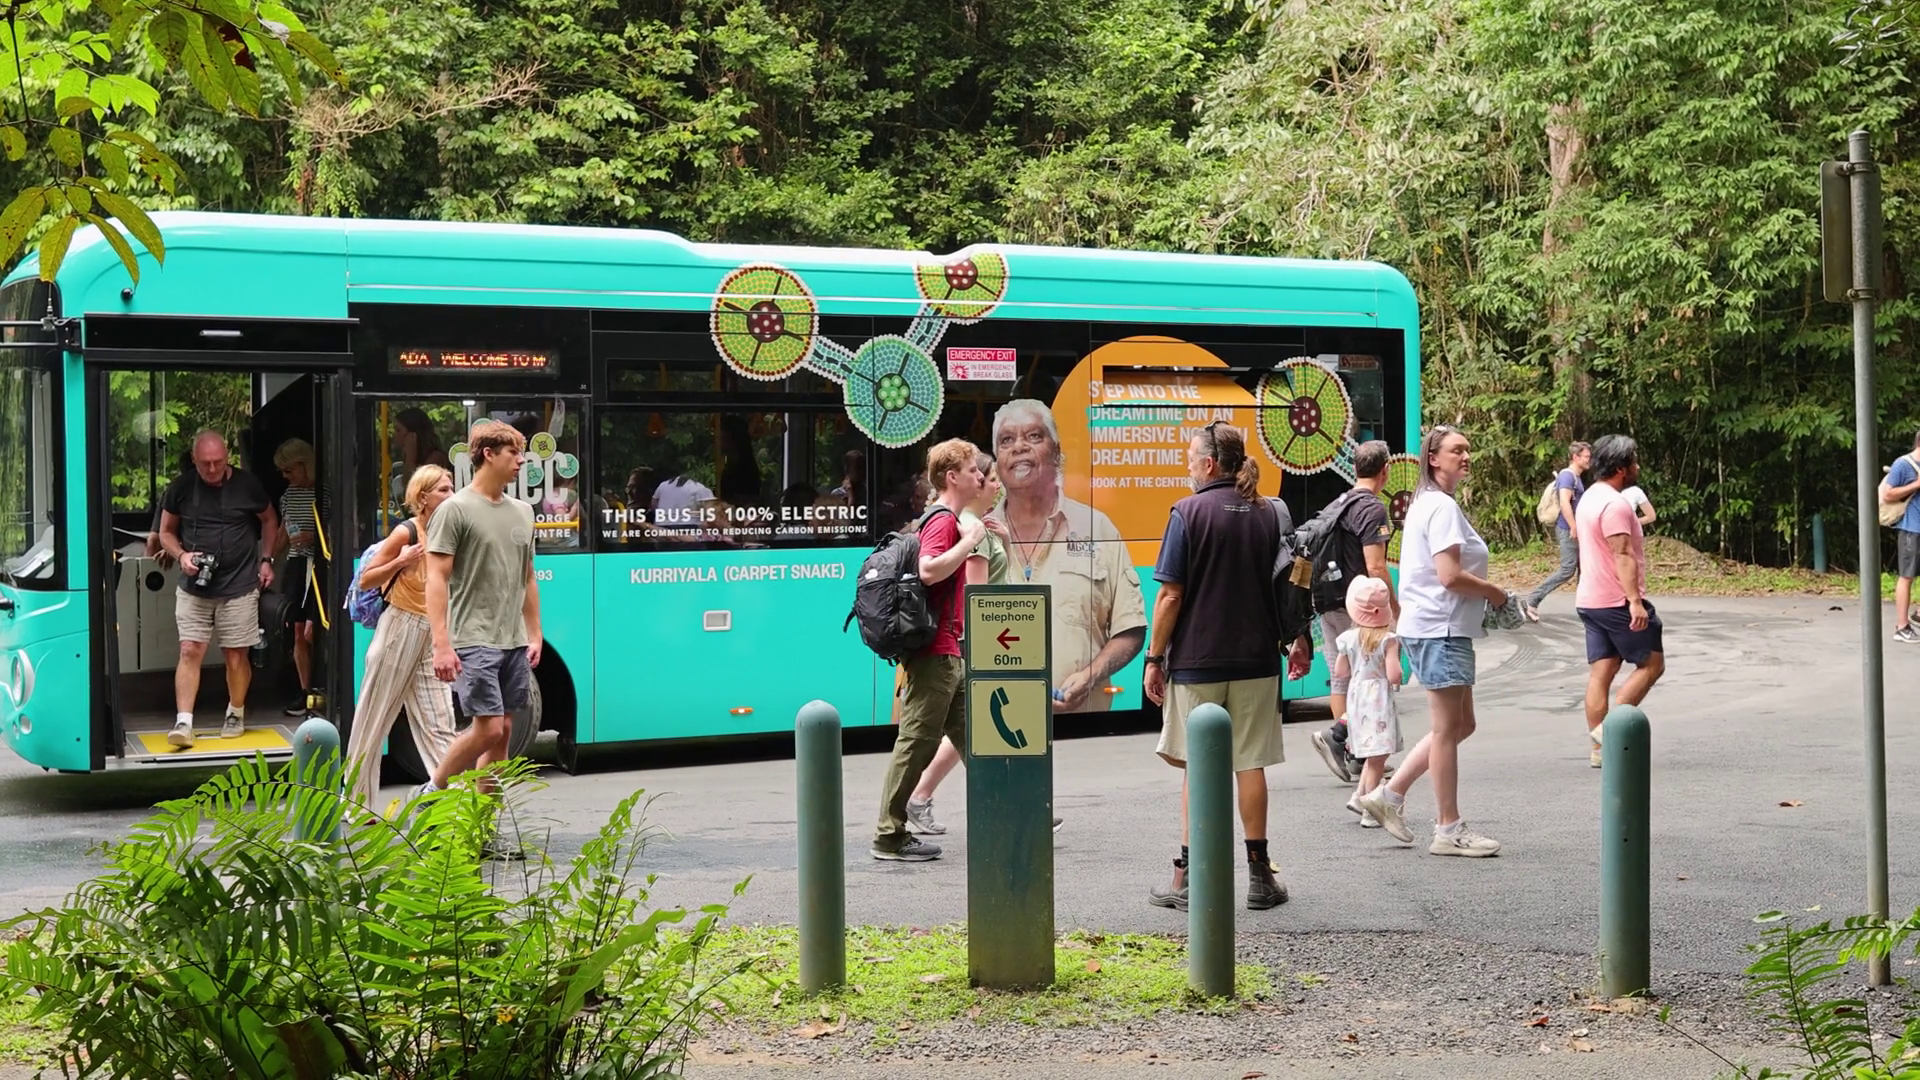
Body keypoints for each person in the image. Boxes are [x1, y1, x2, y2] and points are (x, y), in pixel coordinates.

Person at [1143, 420, 1288, 912]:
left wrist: (1154, 657)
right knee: (1250, 764)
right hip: (1258, 659)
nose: (1187, 465)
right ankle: (1260, 877)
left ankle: (1188, 880)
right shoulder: (1267, 512)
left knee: (1198, 768)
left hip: (1198, 661)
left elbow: (1170, 595)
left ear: (1208, 464)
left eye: (1189, 458)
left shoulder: (1187, 512)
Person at [1358, 425, 1508, 857]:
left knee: (1462, 725)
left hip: (1441, 628)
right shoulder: (1440, 506)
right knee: (1446, 730)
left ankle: (1389, 795)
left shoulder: (1430, 502)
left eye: (1467, 448)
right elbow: (1449, 576)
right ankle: (1448, 828)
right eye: (1457, 450)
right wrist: (1495, 593)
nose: (1466, 455)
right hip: (1439, 629)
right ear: (1433, 458)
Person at [417, 421, 544, 827]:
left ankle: (481, 829)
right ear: (488, 454)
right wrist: (441, 644)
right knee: (487, 730)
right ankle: (432, 789)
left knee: (503, 732)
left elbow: (527, 577)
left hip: (512, 640)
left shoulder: (523, 511)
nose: (521, 461)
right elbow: (436, 578)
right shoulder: (454, 510)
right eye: (513, 453)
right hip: (473, 637)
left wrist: (535, 633)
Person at [986, 399, 1146, 713]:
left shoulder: (1097, 527)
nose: (1019, 447)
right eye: (1006, 440)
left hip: (1084, 724)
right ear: (997, 460)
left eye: (1034, 436)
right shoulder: (976, 536)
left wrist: (1090, 676)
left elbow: (1130, 627)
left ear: (1056, 452)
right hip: (999, 722)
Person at [870, 438, 987, 862]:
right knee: (917, 742)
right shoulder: (942, 520)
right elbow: (929, 570)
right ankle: (889, 835)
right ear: (951, 477)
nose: (981, 476)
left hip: (949, 651)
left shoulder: (948, 519)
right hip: (935, 653)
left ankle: (1012, 811)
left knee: (979, 741)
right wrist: (970, 540)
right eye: (973, 470)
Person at [904, 451, 1030, 837]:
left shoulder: (983, 527)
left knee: (974, 727)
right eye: (986, 477)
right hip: (986, 642)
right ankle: (1012, 804)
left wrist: (1004, 542)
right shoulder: (971, 529)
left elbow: (1000, 581)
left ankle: (1014, 804)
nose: (993, 485)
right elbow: (978, 598)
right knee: (971, 727)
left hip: (991, 640)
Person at [341, 466, 460, 814]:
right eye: (443, 490)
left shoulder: (450, 531)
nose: (451, 495)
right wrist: (401, 560)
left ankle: (454, 803)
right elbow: (366, 579)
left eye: (452, 488)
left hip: (433, 632)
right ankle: (356, 804)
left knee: (440, 721)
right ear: (423, 497)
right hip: (399, 627)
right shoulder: (406, 532)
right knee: (373, 719)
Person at [156, 430, 281, 747]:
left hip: (239, 584)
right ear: (194, 460)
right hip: (194, 585)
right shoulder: (181, 487)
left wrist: (266, 560)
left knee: (236, 654)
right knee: (189, 650)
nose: (212, 469)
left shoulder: (247, 485)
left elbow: (269, 519)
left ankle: (235, 712)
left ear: (228, 458)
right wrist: (182, 556)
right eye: (205, 464)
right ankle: (184, 723)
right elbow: (165, 532)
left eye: (218, 462)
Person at [1300, 440, 1401, 783]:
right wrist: (1393, 607)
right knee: (1369, 680)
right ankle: (1338, 735)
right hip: (1356, 607)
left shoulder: (1339, 502)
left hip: (1326, 601)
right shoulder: (1372, 508)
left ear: (1355, 468)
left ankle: (1355, 755)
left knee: (1342, 679)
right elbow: (1376, 566)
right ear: (1385, 470)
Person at [1574, 435, 1665, 768]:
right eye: (1634, 461)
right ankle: (1608, 734)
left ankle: (1599, 750)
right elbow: (1622, 553)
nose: (1637, 466)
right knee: (1652, 664)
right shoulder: (1615, 504)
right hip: (1615, 601)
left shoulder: (1589, 498)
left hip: (1590, 599)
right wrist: (1634, 602)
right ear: (1621, 468)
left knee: (1603, 671)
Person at [1333, 575, 1402, 827]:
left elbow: (1341, 672)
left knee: (1371, 752)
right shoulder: (1388, 640)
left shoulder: (1348, 638)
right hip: (1378, 700)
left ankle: (1359, 797)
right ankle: (1370, 811)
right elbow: (1394, 675)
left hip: (1356, 699)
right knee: (1378, 757)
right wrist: (1397, 671)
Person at [272, 438, 330, 716]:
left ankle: (325, 685)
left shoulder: (325, 494)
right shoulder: (288, 496)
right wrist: (268, 559)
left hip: (319, 565)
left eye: (290, 470)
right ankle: (306, 691)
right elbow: (283, 532)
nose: (286, 476)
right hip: (296, 565)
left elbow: (340, 531)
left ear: (305, 465)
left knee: (312, 629)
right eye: (282, 472)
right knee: (297, 630)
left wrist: (315, 537)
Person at [1522, 441, 1592, 621]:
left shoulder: (1576, 477)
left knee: (1584, 568)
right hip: (1567, 528)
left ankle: (1588, 607)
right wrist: (1573, 526)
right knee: (1568, 569)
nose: (1589, 460)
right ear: (1575, 457)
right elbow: (1564, 502)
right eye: (1586, 457)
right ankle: (1532, 600)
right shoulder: (1567, 476)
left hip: (1576, 528)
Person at [1883, 431, 1920, 644]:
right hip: (1911, 529)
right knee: (1907, 576)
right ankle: (1902, 626)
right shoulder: (1903, 464)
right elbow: (1888, 494)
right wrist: (1916, 484)